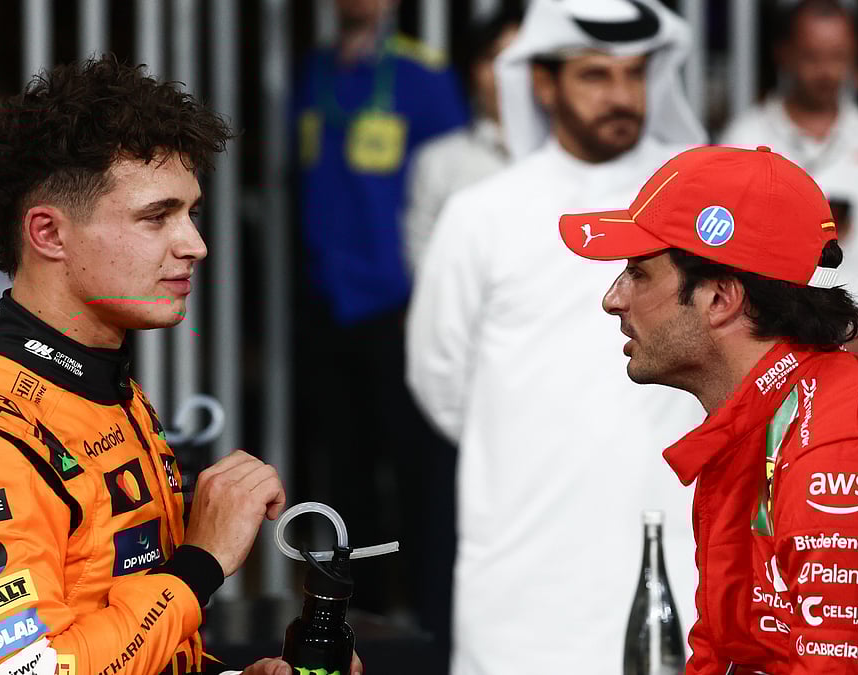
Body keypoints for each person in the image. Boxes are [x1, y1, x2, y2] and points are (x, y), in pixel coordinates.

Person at [0, 56, 360, 675]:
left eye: (191, 214)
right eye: (156, 217)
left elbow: (121, 637)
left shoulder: (108, 393)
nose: (195, 245)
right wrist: (200, 564)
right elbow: (30, 670)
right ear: (49, 234)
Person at [558, 144, 858, 672]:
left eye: (638, 273)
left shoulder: (843, 457)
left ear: (720, 299)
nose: (613, 299)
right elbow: (725, 654)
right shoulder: (764, 422)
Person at [406, 1, 706, 672]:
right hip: (526, 563)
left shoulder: (698, 208)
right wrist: (527, 444)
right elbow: (438, 377)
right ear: (542, 83)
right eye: (595, 75)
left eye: (635, 74)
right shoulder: (483, 214)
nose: (621, 95)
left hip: (676, 538)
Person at [291, 0, 468, 621]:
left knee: (417, 472)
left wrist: (429, 299)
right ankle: (357, 620)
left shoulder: (423, 77)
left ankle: (426, 620)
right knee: (343, 472)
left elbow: (455, 192)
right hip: (327, 304)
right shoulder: (312, 71)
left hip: (400, 310)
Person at [720, 0, 858, 354]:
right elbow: (726, 250)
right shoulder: (744, 138)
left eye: (838, 56)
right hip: (771, 346)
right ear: (783, 54)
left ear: (855, 53)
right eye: (812, 56)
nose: (826, 70)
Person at [403, 9, 521, 272]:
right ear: (473, 70)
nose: (504, 72)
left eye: (518, 59)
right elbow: (422, 259)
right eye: (492, 58)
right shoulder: (437, 160)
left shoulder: (572, 157)